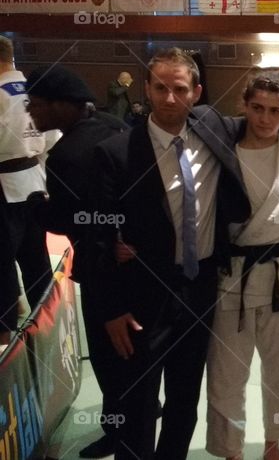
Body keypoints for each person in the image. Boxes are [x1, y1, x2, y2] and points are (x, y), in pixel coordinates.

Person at [91, 48, 279, 459]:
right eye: (160, 87)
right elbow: (97, 238)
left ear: (196, 93)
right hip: (146, 292)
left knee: (186, 396)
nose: (169, 98)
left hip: (202, 286)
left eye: (180, 89)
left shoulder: (211, 127)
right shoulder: (118, 152)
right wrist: (111, 307)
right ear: (146, 88)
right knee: (140, 398)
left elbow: (272, 123)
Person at [205, 71, 279, 460]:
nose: (265, 119)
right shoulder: (220, 152)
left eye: (275, 110)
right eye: (257, 108)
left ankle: (274, 442)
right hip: (231, 277)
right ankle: (231, 450)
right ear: (244, 107)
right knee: (226, 373)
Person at [24, 64, 127, 459]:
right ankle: (143, 406)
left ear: (60, 104)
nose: (30, 112)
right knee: (131, 351)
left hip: (101, 267)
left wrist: (37, 206)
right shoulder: (116, 127)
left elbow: (66, 219)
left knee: (105, 354)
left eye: (34, 103)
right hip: (135, 258)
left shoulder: (67, 154)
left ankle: (117, 430)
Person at [0, 35, 53, 346]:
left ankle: (4, 337)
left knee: (3, 264)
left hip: (5, 187)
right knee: (36, 258)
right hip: (36, 180)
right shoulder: (36, 90)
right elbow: (55, 136)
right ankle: (46, 326)